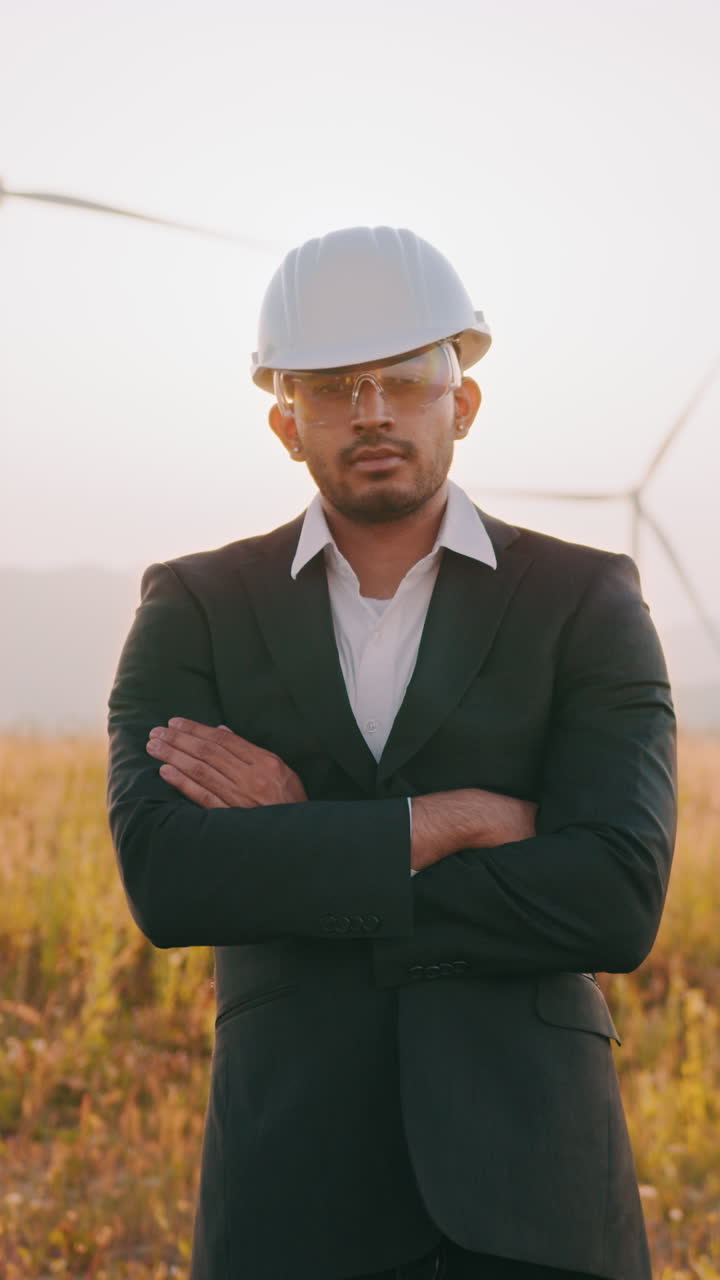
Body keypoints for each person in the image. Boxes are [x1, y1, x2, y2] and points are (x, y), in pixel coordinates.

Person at [107, 226, 677, 1280]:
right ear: (287, 423)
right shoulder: (193, 604)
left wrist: (299, 841)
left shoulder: (586, 597)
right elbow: (170, 879)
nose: (370, 410)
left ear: (460, 402)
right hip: (288, 1190)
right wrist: (445, 824)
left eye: (404, 380)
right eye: (331, 387)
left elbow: (615, 895)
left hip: (535, 1192)